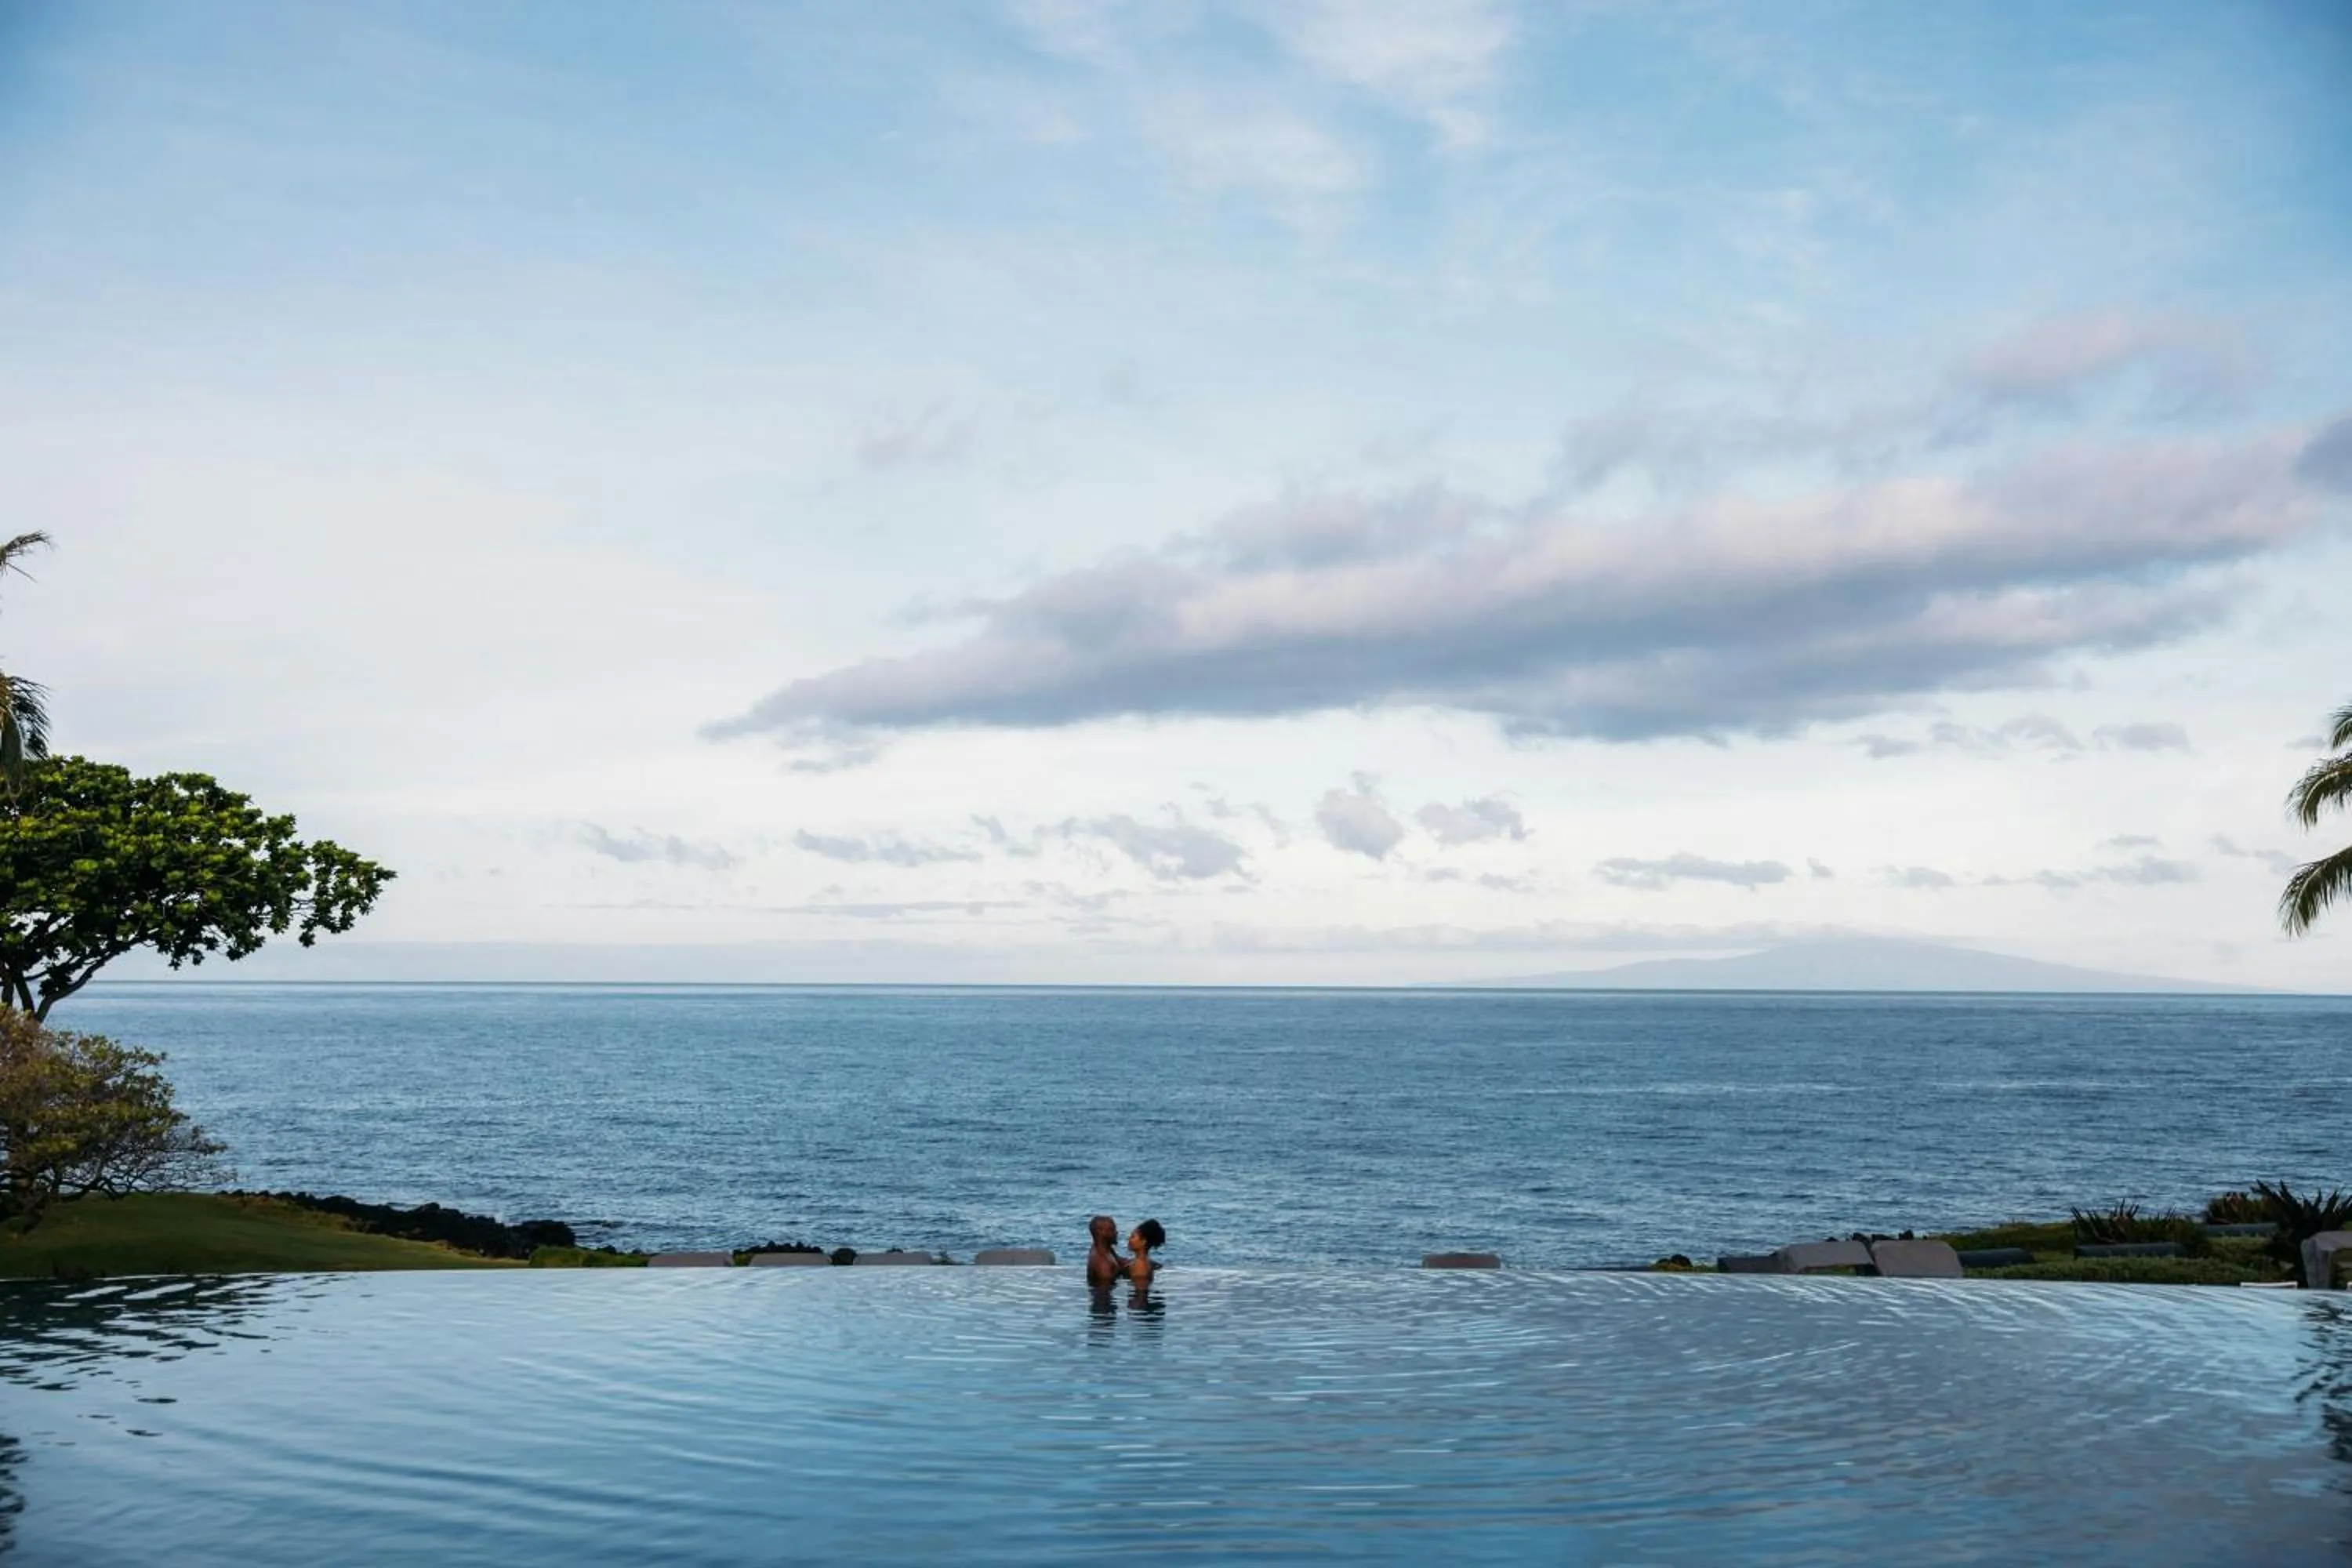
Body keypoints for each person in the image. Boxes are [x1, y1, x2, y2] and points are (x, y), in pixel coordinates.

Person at [1085, 1214, 1125, 1290]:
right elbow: (1104, 1294)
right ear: (1100, 1232)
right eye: (1112, 1229)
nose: (1116, 1233)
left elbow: (1120, 1261)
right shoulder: (1103, 1263)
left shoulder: (1105, 1249)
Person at [1125, 1219, 1164, 1288]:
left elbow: (1140, 1294)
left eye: (1133, 1237)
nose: (1129, 1240)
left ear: (1143, 1242)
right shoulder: (1144, 1262)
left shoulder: (1140, 1266)